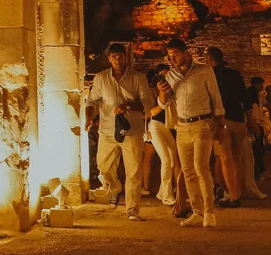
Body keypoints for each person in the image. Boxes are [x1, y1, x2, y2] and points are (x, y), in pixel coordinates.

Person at [85, 43, 154, 219]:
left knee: (134, 171)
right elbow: (92, 100)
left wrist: (128, 106)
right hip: (108, 130)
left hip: (132, 130)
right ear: (109, 59)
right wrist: (89, 116)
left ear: (125, 57)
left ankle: (132, 209)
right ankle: (115, 187)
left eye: (120, 56)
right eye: (113, 56)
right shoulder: (101, 78)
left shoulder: (138, 78)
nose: (117, 59)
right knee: (104, 167)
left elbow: (147, 103)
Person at [161, 38, 225, 228]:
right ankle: (196, 211)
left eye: (176, 55)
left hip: (202, 124)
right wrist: (162, 91)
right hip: (182, 126)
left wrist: (221, 125)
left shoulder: (205, 71)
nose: (173, 59)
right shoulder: (171, 76)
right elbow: (164, 103)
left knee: (200, 167)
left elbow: (216, 98)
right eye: (170, 56)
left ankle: (209, 212)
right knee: (187, 171)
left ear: (186, 54)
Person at [206, 47, 254, 207]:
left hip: (223, 120)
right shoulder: (235, 74)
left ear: (210, 60)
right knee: (237, 159)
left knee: (226, 159)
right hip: (239, 120)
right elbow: (245, 99)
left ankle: (233, 196)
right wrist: (251, 121)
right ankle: (237, 192)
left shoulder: (210, 75)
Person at [148, 67, 190, 216]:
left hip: (168, 126)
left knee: (174, 160)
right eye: (163, 74)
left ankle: (161, 192)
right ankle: (166, 196)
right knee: (166, 160)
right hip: (156, 126)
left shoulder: (174, 90)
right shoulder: (154, 91)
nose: (167, 77)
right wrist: (163, 101)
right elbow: (150, 112)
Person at [245, 78, 271, 181]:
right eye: (261, 85)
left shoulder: (258, 96)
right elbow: (254, 114)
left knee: (259, 149)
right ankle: (257, 173)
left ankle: (261, 170)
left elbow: (265, 104)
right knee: (257, 150)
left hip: (257, 124)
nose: (262, 87)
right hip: (255, 125)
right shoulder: (253, 98)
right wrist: (256, 128)